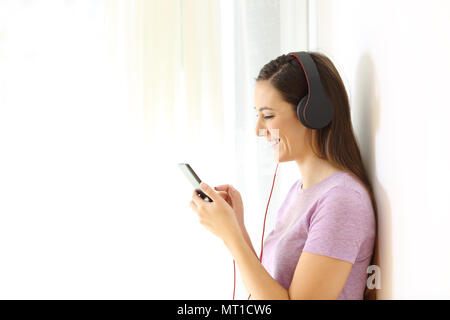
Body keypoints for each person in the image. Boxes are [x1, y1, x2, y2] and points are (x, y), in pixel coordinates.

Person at [189, 52, 377, 300]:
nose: (258, 130)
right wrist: (236, 227)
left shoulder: (342, 201)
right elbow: (269, 291)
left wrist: (230, 234)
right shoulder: (299, 191)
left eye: (267, 116)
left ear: (313, 113)